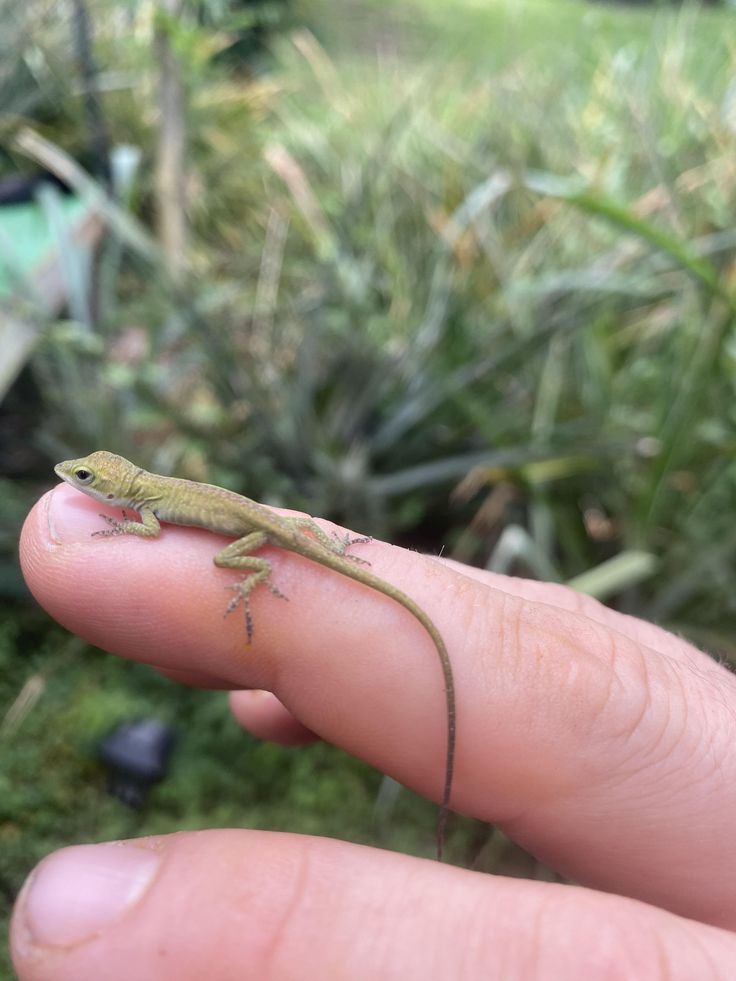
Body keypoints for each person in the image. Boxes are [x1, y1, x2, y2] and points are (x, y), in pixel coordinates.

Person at [11, 481, 736, 978]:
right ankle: (290, 567)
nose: (73, 483)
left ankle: (253, 580)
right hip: (274, 526)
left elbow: (141, 529)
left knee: (228, 563)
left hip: (254, 543)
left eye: (83, 480)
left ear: (113, 486)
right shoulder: (149, 482)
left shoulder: (140, 505)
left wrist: (115, 528)